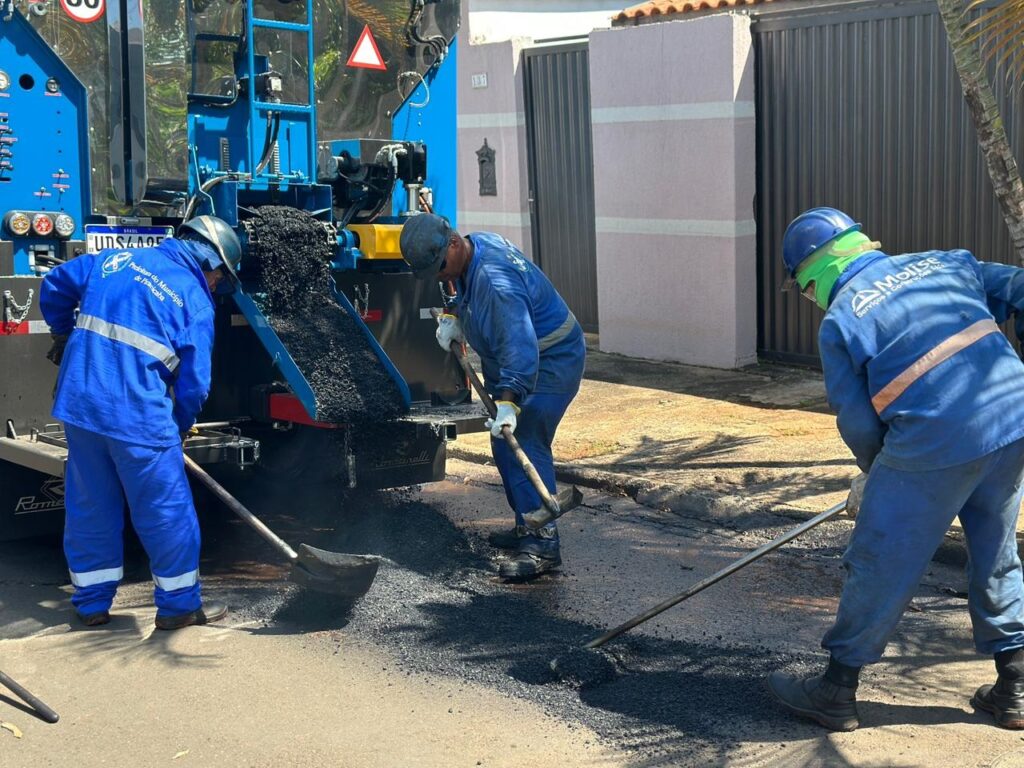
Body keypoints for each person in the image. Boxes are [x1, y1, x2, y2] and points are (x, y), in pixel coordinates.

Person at [767, 206, 1024, 732]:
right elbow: (1018, 286)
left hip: (934, 439)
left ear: (812, 274)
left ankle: (835, 692)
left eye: (804, 288)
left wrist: (875, 475)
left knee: (881, 559)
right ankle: (1016, 687)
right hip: (1012, 418)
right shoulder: (947, 262)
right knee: (996, 547)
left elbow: (859, 423)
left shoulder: (843, 318)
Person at [39, 215, 242, 630]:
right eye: (222, 278)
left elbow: (54, 284)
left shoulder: (113, 260)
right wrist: (180, 425)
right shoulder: (195, 299)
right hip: (138, 418)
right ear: (211, 263)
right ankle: (179, 605)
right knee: (165, 512)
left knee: (91, 505)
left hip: (81, 406)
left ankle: (91, 603)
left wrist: (62, 332)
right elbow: (195, 385)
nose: (218, 286)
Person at [400, 213, 586, 582]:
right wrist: (455, 316)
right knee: (504, 443)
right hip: (516, 357)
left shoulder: (497, 284)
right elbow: (464, 291)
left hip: (549, 361)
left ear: (453, 243)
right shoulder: (476, 245)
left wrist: (509, 400)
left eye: (440, 267)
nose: (440, 276)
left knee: (526, 438)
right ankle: (527, 525)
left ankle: (543, 545)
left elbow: (520, 344)